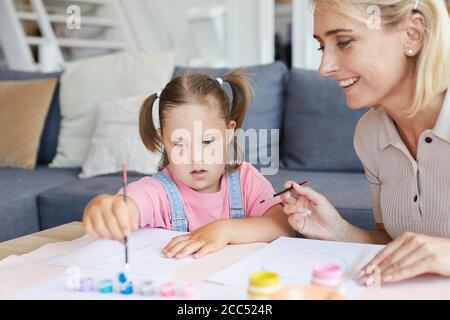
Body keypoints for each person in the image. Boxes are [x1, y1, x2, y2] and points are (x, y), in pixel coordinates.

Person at [282, 0, 450, 285]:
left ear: (412, 35)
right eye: (322, 47)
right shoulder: (370, 134)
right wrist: (338, 231)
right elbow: (392, 241)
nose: (324, 67)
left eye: (344, 42)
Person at [83, 70, 294, 259]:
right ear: (163, 139)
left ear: (229, 133)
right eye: (180, 143)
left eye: (207, 141)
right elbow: (128, 206)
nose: (196, 158)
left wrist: (225, 229)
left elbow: (283, 225)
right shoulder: (159, 192)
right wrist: (107, 208)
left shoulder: (246, 180)